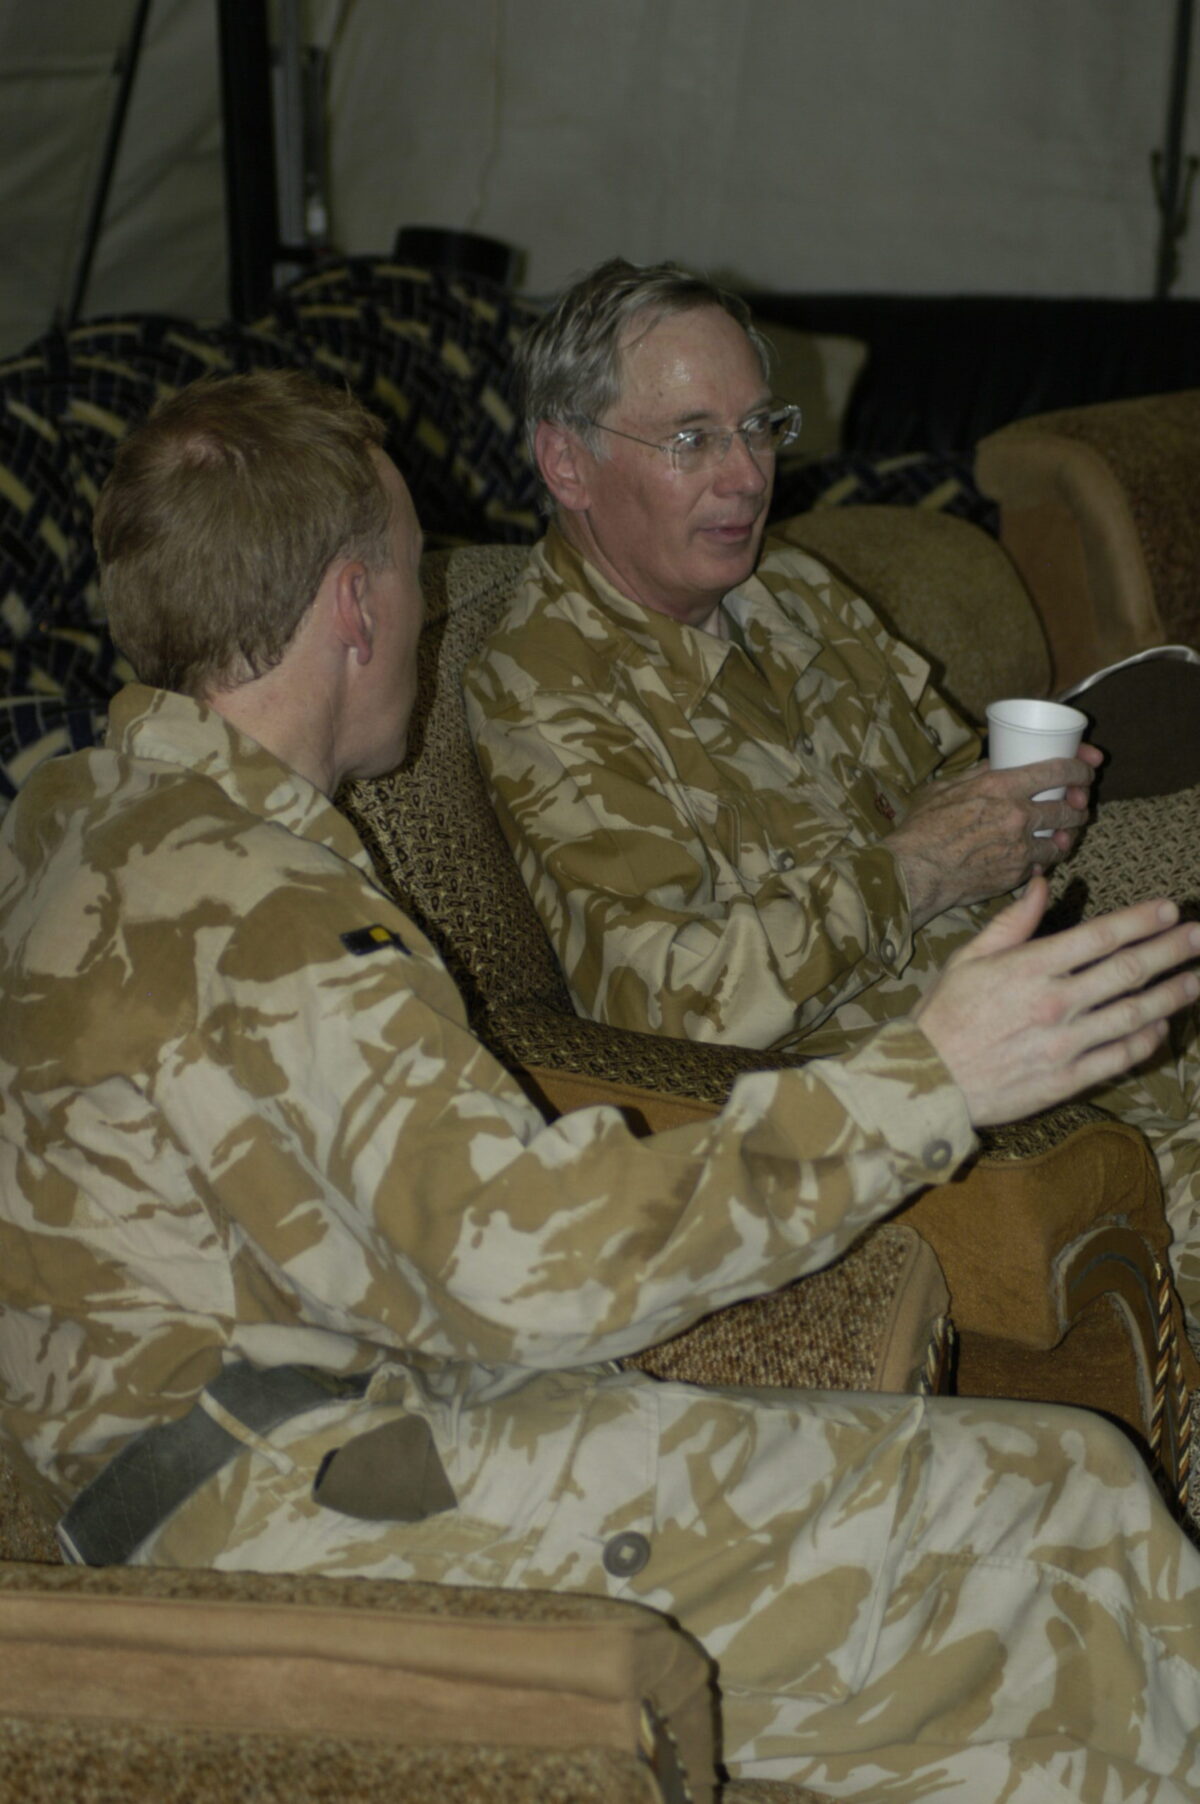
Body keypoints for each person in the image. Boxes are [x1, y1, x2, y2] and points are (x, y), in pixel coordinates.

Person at [2, 370, 1200, 1802]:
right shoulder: (262, 909)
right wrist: (930, 1077)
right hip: (291, 1519)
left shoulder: (77, 821)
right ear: (353, 608)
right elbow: (528, 1276)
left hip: (238, 1466)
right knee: (1063, 1520)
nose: (435, 616)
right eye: (412, 575)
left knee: (1057, 1509)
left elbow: (373, 1243)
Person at [464, 256, 1200, 1322]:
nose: (747, 476)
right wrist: (914, 872)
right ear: (565, 461)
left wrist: (1024, 805)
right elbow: (668, 1007)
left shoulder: (793, 590)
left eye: (760, 427)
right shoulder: (546, 687)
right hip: (926, 1122)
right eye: (691, 439)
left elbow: (947, 780)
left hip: (1075, 1029)